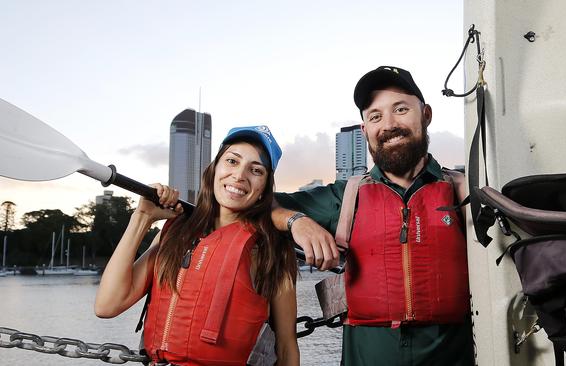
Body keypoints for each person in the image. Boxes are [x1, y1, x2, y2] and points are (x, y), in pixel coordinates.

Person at [273, 66, 474, 365]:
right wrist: (296, 221)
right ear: (365, 130)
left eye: (401, 109)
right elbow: (255, 204)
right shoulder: (345, 197)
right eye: (375, 116)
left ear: (426, 115)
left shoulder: (465, 190)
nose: (389, 124)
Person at [95, 126, 299, 366]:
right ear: (214, 170)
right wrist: (142, 217)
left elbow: (286, 348)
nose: (239, 175)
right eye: (232, 161)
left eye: (256, 170)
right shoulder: (175, 232)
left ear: (264, 188)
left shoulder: (272, 251)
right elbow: (107, 305)